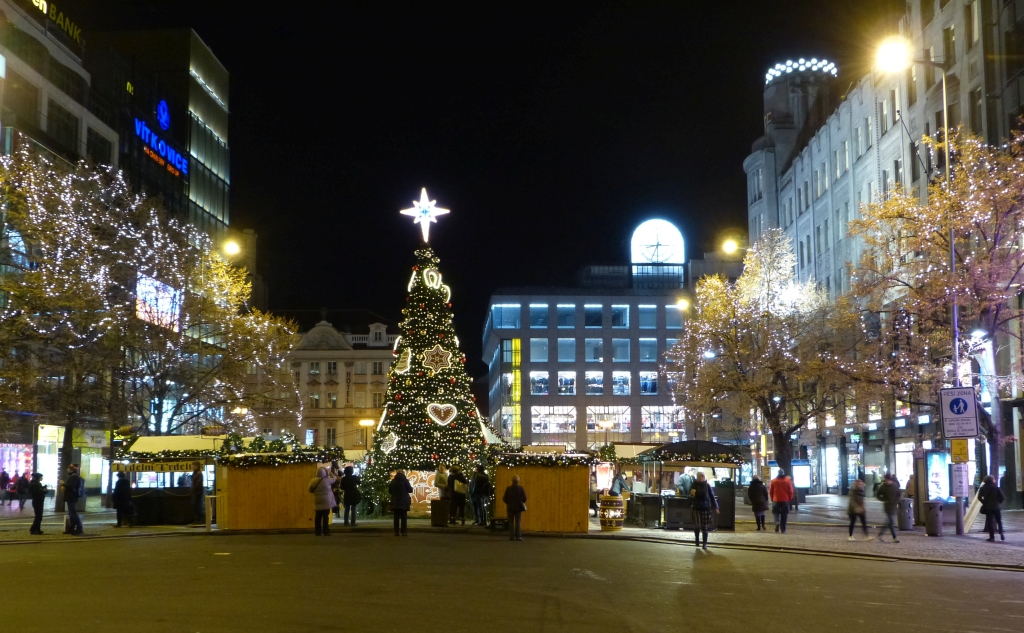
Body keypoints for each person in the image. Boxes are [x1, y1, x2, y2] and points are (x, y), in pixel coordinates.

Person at [689, 472, 719, 550]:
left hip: (705, 507)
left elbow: (712, 496)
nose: (700, 477)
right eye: (699, 476)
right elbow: (690, 496)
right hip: (696, 507)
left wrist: (716, 507)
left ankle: (704, 544)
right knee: (697, 525)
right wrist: (691, 495)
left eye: (702, 476)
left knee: (705, 527)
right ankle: (697, 539)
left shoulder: (707, 486)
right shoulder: (694, 485)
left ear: (704, 477)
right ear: (697, 477)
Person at [308, 466, 337, 536]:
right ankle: (326, 531)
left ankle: (317, 531)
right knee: (325, 516)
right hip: (326, 500)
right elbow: (334, 479)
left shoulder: (313, 481)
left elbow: (310, 489)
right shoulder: (327, 480)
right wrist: (330, 473)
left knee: (318, 516)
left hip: (317, 500)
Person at [978, 475, 1005, 542]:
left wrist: (984, 502)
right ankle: (1001, 533)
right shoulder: (996, 488)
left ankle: (992, 537)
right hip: (996, 507)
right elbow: (1002, 497)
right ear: (992, 480)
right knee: (999, 521)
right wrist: (998, 502)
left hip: (988, 507)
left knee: (990, 522)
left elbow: (979, 497)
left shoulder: (982, 488)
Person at [875, 473, 901, 543]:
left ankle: (880, 534)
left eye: (887, 480)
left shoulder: (895, 486)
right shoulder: (883, 487)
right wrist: (883, 499)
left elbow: (899, 494)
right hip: (887, 506)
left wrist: (897, 500)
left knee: (889, 522)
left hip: (893, 506)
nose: (886, 481)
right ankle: (895, 538)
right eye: (886, 480)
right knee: (891, 522)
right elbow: (878, 495)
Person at [502, 474, 527, 541]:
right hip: (518, 507)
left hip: (510, 507)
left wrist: (508, 503)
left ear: (512, 481)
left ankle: (511, 536)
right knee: (518, 522)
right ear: (518, 481)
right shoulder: (520, 488)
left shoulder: (508, 488)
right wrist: (521, 502)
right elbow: (525, 498)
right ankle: (518, 536)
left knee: (511, 522)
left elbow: (504, 498)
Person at [769, 469, 794, 533]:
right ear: (783, 473)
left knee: (775, 513)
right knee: (784, 514)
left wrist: (772, 498)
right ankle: (783, 529)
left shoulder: (773, 481)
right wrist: (789, 498)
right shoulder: (787, 481)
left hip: (776, 499)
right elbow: (791, 491)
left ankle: (777, 522)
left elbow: (771, 491)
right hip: (785, 500)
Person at [390, 469, 413, 536]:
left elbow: (390, 491)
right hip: (404, 501)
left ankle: (396, 532)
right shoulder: (405, 481)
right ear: (403, 473)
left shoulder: (393, 481)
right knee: (404, 518)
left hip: (395, 501)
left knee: (396, 518)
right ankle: (404, 531)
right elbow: (410, 490)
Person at [63, 464, 84, 535]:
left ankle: (79, 528)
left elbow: (70, 486)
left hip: (71, 496)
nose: (67, 470)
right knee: (71, 513)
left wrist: (63, 484)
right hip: (72, 496)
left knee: (73, 513)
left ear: (71, 469)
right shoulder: (75, 476)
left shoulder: (74, 476)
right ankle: (72, 527)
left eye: (68, 468)